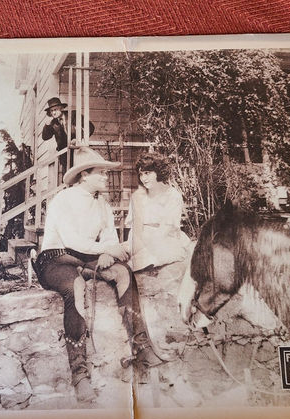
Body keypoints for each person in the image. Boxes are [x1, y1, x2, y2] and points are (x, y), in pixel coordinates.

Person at [35, 146, 163, 403]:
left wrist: (108, 255)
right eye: (101, 173)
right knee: (75, 287)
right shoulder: (64, 200)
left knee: (123, 273)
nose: (106, 177)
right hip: (56, 258)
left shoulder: (102, 203)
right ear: (84, 176)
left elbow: (109, 238)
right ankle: (79, 374)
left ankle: (141, 346)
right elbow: (72, 240)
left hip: (88, 257)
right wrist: (104, 250)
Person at [125, 152, 192, 272]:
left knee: (150, 258)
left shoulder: (172, 196)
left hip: (164, 239)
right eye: (141, 174)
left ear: (159, 172)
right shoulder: (137, 196)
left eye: (147, 173)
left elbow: (166, 229)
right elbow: (135, 229)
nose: (143, 178)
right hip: (139, 239)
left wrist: (146, 247)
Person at [41, 97, 95, 182]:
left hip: (79, 151)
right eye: (51, 111)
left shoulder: (73, 115)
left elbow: (90, 127)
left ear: (61, 108)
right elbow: (45, 137)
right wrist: (47, 124)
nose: (53, 113)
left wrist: (80, 140)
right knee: (68, 178)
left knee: (82, 175)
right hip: (65, 155)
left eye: (55, 109)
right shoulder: (53, 123)